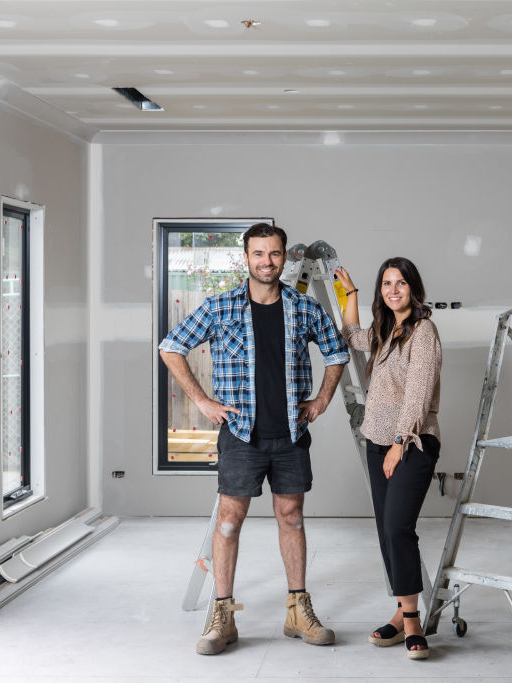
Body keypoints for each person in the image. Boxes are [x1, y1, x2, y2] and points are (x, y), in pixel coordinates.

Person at [159, 223, 349, 655]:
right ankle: (222, 616)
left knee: (293, 518)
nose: (267, 261)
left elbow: (336, 353)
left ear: (284, 258)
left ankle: (298, 610)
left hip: (290, 434)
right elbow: (172, 347)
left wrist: (321, 400)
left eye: (275, 254)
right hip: (241, 436)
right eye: (259, 254)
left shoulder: (302, 307)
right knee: (228, 521)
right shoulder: (220, 306)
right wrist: (204, 402)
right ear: (245, 258)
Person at [335, 257, 442, 661]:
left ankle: (412, 620)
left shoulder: (423, 331)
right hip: (377, 443)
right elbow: (350, 335)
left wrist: (400, 443)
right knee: (385, 529)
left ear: (414, 289)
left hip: (412, 443)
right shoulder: (384, 330)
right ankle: (401, 613)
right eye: (386, 284)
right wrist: (352, 294)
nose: (393, 290)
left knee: (399, 526)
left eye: (400, 283)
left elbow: (418, 392)